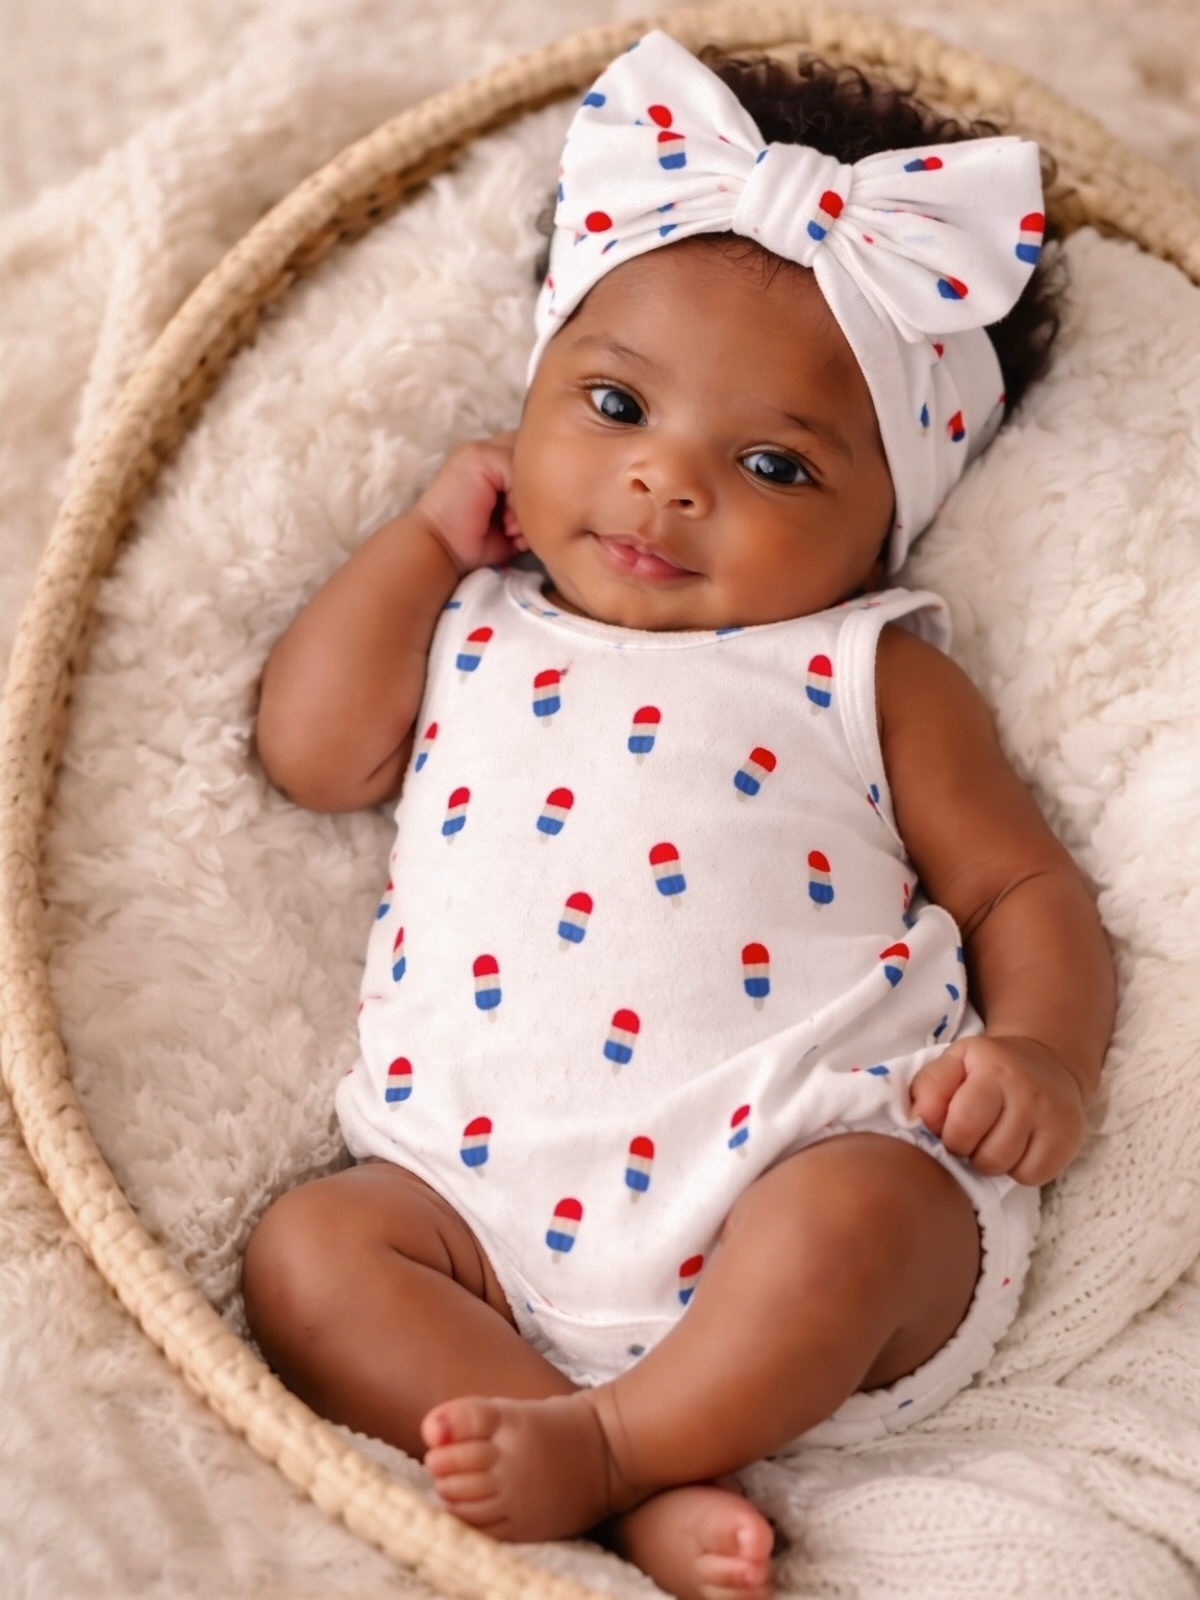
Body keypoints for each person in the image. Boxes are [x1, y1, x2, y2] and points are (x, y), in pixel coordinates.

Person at [243, 31, 1113, 1600]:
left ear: (884, 518)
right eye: (616, 403)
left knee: (856, 1218)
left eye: (775, 463)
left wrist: (1041, 1053)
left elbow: (1021, 888)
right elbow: (314, 756)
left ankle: (617, 1453)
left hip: (795, 1167)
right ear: (530, 399)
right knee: (307, 1254)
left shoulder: (867, 671)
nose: (665, 483)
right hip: (471, 1216)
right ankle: (615, 1460)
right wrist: (421, 538)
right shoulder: (476, 613)